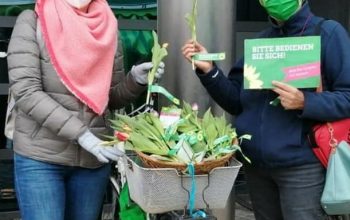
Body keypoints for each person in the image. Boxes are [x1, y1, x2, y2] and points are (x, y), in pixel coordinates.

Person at [182, 0, 350, 219]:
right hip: (257, 168)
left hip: (302, 169)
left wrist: (305, 102)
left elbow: (347, 96)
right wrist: (210, 72)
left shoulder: (328, 33)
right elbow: (236, 101)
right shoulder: (261, 43)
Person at [7, 0, 164, 219]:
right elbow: (27, 91)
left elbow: (109, 98)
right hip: (42, 160)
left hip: (92, 162)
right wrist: (82, 134)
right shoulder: (32, 21)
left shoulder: (108, 27)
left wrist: (135, 80)